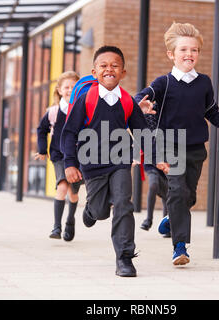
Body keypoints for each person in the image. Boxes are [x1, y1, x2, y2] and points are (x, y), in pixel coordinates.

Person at [135, 22, 219, 266]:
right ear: (172, 54)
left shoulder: (204, 82)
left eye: (194, 50)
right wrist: (141, 103)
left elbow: (212, 111)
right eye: (183, 50)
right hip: (170, 146)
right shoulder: (164, 83)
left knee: (189, 196)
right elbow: (141, 96)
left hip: (195, 148)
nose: (189, 54)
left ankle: (172, 219)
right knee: (178, 192)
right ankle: (180, 247)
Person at [61, 45, 169, 277]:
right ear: (94, 71)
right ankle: (91, 210)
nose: (109, 69)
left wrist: (156, 157)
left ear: (123, 72)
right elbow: (69, 132)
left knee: (123, 203)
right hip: (91, 164)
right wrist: (70, 163)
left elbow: (142, 133)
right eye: (103, 65)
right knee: (100, 211)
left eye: (115, 66)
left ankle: (124, 258)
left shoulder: (127, 101)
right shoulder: (85, 98)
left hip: (120, 161)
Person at [35, 71, 82, 241]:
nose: (70, 90)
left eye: (74, 87)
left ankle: (70, 220)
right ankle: (57, 226)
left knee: (73, 193)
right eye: (66, 87)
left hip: (78, 156)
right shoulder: (53, 112)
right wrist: (42, 149)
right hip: (59, 155)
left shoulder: (82, 109)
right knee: (62, 186)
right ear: (60, 90)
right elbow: (41, 130)